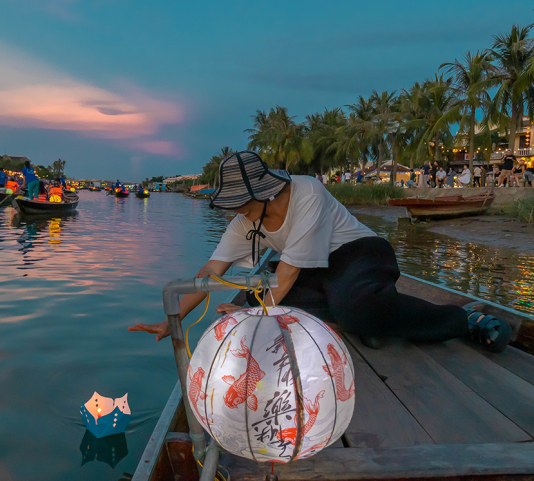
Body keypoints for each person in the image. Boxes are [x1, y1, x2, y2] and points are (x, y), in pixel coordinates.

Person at [128, 151, 511, 352]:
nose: (236, 210)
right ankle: (369, 318)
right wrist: (173, 319)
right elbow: (212, 268)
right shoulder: (246, 220)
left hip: (359, 254)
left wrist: (257, 312)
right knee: (253, 293)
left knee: (349, 307)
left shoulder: (306, 191)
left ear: (264, 192)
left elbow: (290, 273)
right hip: (320, 271)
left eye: (241, 201)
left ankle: (463, 321)